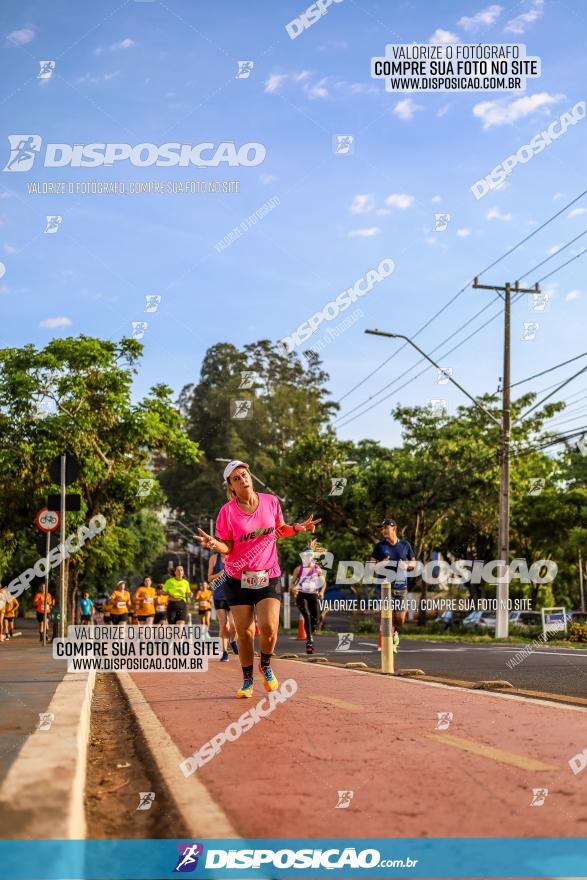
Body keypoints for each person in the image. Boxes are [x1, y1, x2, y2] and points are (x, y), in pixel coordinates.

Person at [195, 459, 319, 699]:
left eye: (244, 475)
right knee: (245, 632)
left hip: (268, 574)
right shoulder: (227, 512)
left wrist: (297, 528)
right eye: (236, 478)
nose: (243, 480)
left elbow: (279, 529)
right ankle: (247, 680)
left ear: (250, 476)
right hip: (236, 577)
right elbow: (228, 547)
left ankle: (265, 664)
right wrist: (214, 543)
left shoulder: (271, 502)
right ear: (231, 486)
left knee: (269, 628)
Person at [370, 518, 416, 653]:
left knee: (400, 619)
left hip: (401, 586)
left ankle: (394, 633)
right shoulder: (379, 546)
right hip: (384, 587)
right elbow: (371, 567)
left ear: (394, 528)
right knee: (387, 616)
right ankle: (388, 644)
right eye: (382, 528)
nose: (383, 531)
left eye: (386, 528)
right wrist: (381, 564)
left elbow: (414, 563)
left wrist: (407, 566)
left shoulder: (405, 545)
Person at [292, 545, 326, 654]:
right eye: (306, 555)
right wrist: (294, 590)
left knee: (315, 619)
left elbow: (324, 583)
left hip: (313, 595)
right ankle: (309, 641)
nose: (308, 557)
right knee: (306, 615)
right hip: (302, 595)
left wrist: (321, 592)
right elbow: (292, 583)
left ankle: (310, 634)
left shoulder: (317, 569)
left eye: (310, 555)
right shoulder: (298, 569)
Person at [208, 551, 238, 662]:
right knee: (224, 625)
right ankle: (224, 652)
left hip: (232, 596)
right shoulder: (214, 558)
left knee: (233, 626)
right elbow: (209, 578)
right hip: (219, 596)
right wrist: (219, 574)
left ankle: (233, 641)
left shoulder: (235, 556)